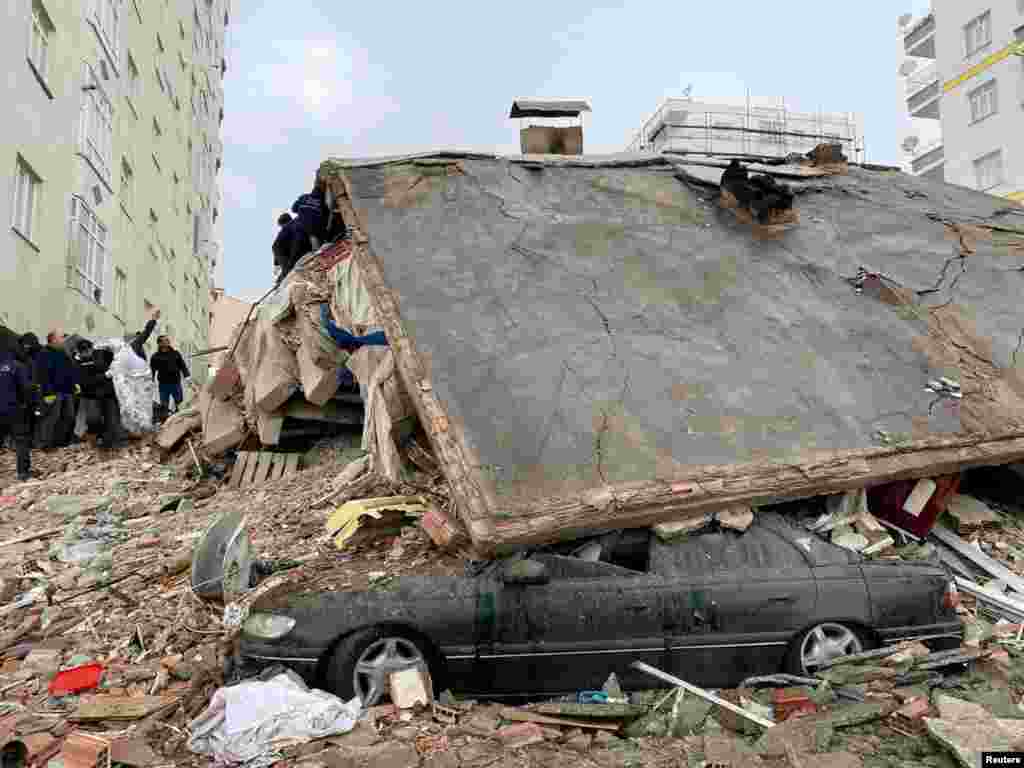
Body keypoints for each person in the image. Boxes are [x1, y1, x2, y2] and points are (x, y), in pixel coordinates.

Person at [73, 339, 123, 451]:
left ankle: (112, 444)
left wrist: (112, 350)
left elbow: (114, 359)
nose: (87, 352)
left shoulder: (100, 355)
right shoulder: (77, 364)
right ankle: (98, 442)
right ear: (80, 352)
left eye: (89, 349)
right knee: (94, 420)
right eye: (84, 351)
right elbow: (85, 381)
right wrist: (105, 376)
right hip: (91, 396)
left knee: (112, 419)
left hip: (107, 394)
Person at [33, 330, 78, 449]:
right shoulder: (44, 354)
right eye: (61, 338)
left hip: (67, 390)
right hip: (53, 391)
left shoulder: (63, 352)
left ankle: (60, 441)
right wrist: (48, 393)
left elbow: (69, 370)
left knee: (68, 416)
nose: (64, 340)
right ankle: (45, 443)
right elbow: (42, 375)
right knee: (51, 417)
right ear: (53, 339)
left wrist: (74, 385)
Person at [0, 343, 34, 481]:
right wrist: (28, 404)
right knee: (21, 440)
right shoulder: (17, 366)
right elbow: (25, 388)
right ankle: (23, 473)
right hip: (14, 409)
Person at [150, 335, 190, 416]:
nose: (167, 341)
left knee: (179, 403)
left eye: (167, 340)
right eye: (165, 340)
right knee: (164, 405)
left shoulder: (175, 353)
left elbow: (182, 366)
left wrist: (187, 377)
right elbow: (152, 370)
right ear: (159, 343)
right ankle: (165, 419)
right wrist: (151, 381)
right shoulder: (155, 356)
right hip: (163, 385)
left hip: (175, 383)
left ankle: (180, 418)